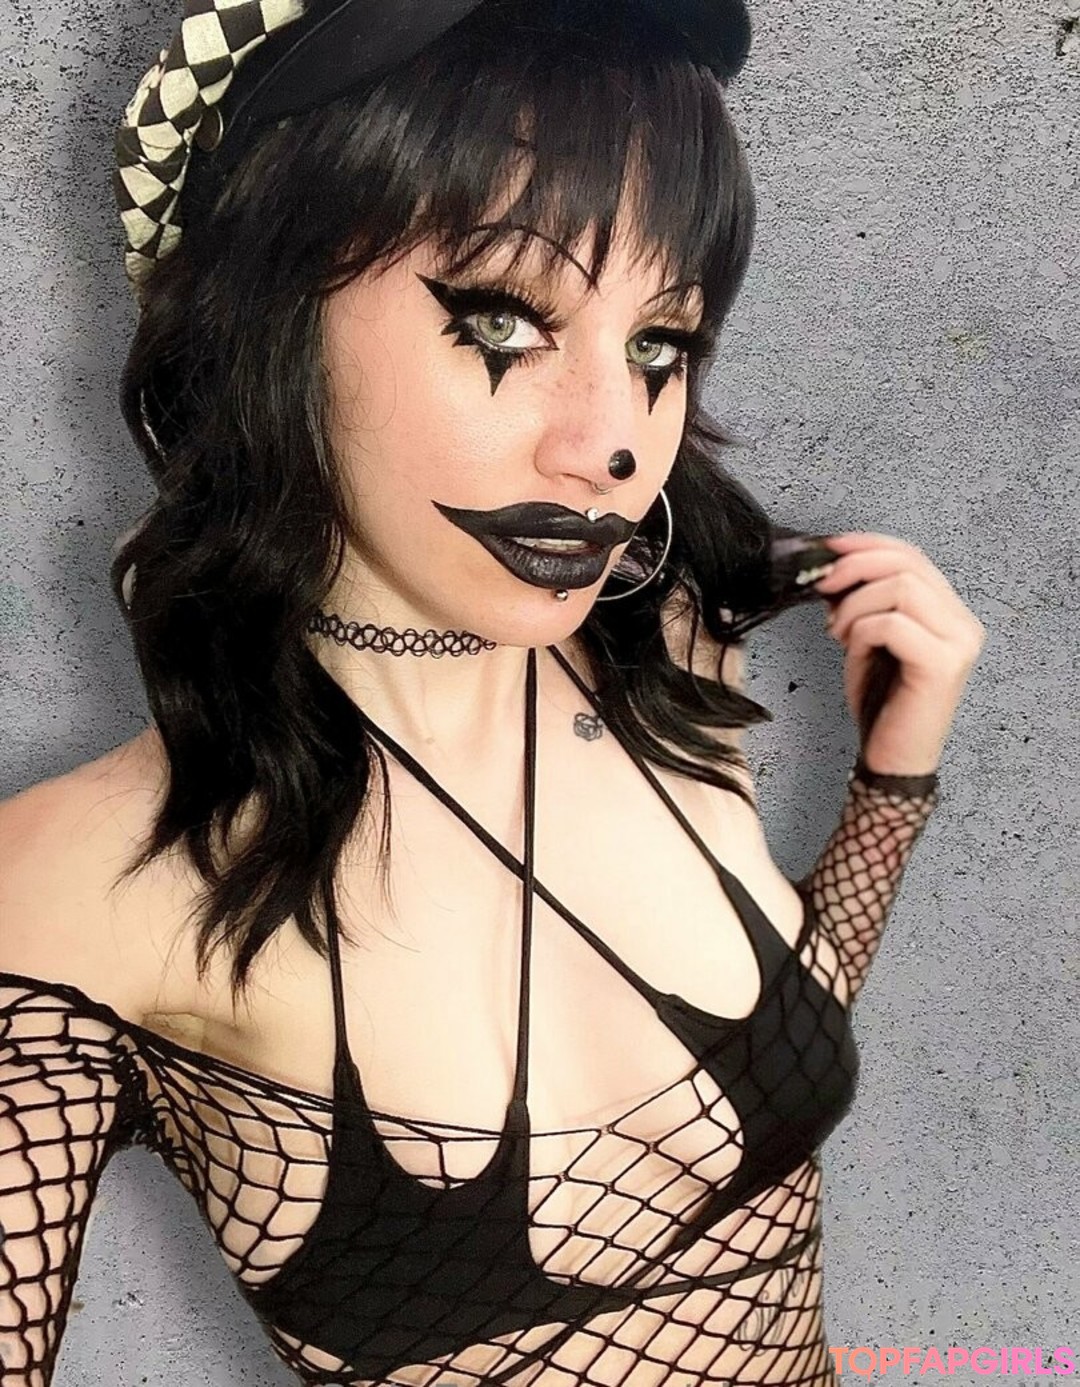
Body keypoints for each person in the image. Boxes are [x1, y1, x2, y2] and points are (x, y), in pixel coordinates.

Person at [0, 0, 986, 1383]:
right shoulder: (74, 883)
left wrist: (892, 783)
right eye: (504, 321)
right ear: (260, 319)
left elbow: (752, 1073)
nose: (611, 446)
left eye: (659, 346)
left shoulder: (668, 666)